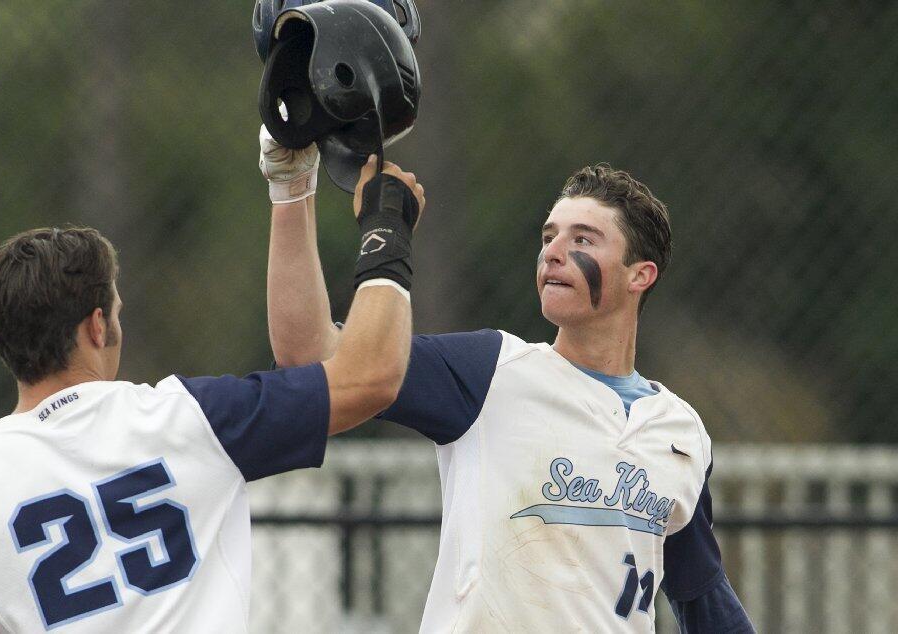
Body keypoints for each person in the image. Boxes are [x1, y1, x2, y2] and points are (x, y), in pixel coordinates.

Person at [0, 155, 425, 633]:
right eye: (115, 310)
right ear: (96, 327)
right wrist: (386, 228)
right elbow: (371, 375)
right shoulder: (189, 418)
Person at [262, 134, 754, 632]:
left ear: (639, 275)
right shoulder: (491, 373)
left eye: (582, 239)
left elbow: (704, 599)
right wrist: (292, 188)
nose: (554, 253)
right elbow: (309, 354)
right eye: (548, 237)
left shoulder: (679, 432)